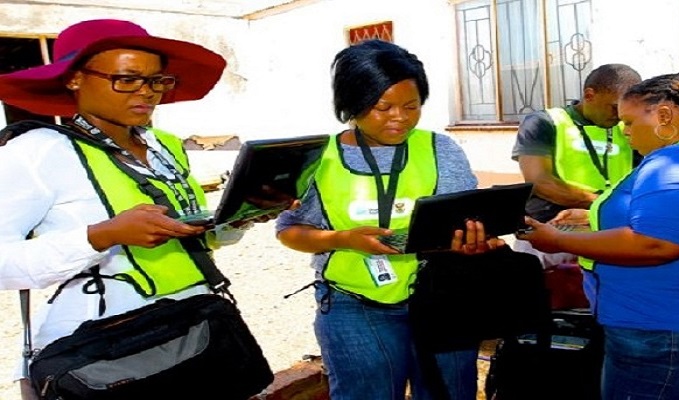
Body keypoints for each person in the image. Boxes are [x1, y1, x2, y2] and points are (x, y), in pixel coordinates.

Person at [0, 19, 253, 399]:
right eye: (127, 79)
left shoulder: (165, 148)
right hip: (104, 352)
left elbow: (192, 238)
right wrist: (102, 236)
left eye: (156, 80)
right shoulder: (35, 153)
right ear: (74, 79)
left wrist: (242, 215)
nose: (147, 92)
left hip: (193, 332)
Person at [275, 39, 503, 400]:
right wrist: (344, 239)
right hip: (353, 304)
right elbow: (290, 231)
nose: (400, 117)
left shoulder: (440, 149)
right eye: (383, 107)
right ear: (352, 103)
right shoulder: (318, 158)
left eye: (412, 106)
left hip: (443, 297)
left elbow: (464, 217)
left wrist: (473, 241)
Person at [517, 71, 679, 400]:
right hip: (665, 326)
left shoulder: (673, 165)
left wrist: (558, 240)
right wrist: (594, 218)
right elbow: (670, 221)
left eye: (629, 122)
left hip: (658, 332)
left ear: (664, 116)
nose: (624, 131)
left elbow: (657, 243)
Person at [511, 63, 642, 271]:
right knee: (533, 285)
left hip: (608, 227)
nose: (619, 115)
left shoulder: (626, 129)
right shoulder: (546, 122)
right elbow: (540, 182)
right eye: (614, 107)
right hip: (550, 228)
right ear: (589, 95)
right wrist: (602, 202)